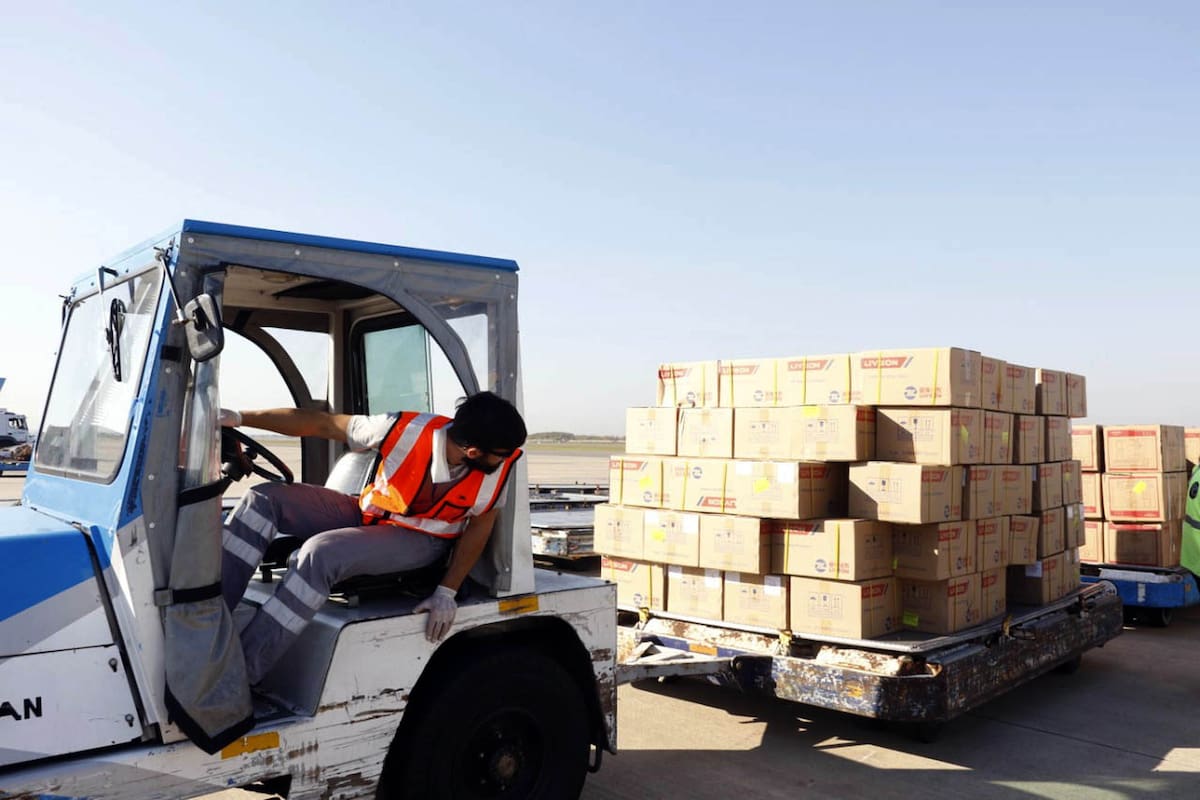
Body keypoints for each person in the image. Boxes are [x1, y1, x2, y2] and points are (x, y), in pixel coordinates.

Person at [218, 391, 526, 685]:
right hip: (369, 512)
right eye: (501, 455)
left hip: (422, 538)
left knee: (318, 554)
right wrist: (240, 417)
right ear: (472, 452)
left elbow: (479, 527)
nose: (507, 459)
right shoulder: (402, 428)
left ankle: (237, 675)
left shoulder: (497, 471)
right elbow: (322, 423)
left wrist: (447, 591)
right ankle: (206, 622)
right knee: (262, 499)